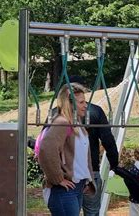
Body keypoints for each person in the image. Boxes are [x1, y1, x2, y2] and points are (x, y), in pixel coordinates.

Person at [38, 83, 95, 216]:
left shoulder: (76, 124)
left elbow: (80, 157)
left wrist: (86, 179)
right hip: (63, 190)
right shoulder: (62, 123)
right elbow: (46, 149)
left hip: (76, 187)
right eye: (81, 102)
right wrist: (58, 178)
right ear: (69, 104)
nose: (85, 105)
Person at [68, 76, 119, 216]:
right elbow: (108, 140)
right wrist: (114, 163)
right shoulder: (95, 111)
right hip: (90, 170)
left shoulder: (55, 113)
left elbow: (42, 143)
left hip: (67, 172)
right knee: (92, 212)